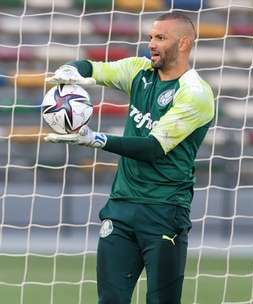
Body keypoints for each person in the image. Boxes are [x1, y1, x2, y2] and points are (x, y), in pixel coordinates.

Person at [45, 11, 214, 304]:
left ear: (184, 43)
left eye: (161, 38)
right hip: (121, 208)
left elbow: (152, 148)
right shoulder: (139, 70)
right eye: (150, 37)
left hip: (164, 211)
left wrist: (95, 139)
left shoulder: (195, 93)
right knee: (110, 300)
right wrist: (71, 70)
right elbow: (92, 68)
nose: (151, 44)